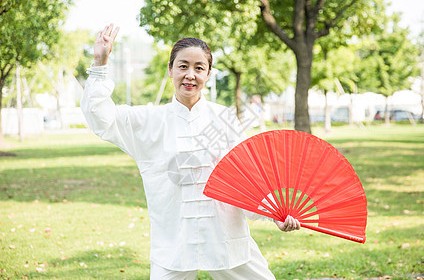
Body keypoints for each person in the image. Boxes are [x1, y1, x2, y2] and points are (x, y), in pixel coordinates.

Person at [81, 24, 301, 280]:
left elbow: (246, 179)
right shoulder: (149, 121)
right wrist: (100, 62)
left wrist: (274, 215)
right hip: (174, 240)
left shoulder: (224, 119)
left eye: (199, 68)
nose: (190, 75)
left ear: (208, 74)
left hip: (225, 235)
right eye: (183, 66)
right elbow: (99, 117)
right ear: (170, 69)